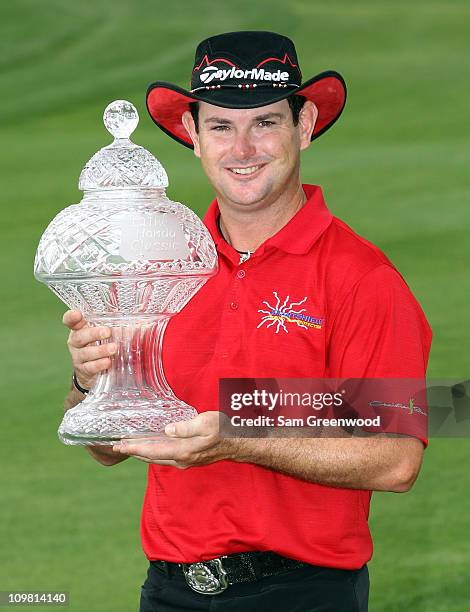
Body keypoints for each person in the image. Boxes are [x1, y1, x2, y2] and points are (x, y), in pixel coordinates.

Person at [62, 31, 432, 611]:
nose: (242, 148)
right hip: (167, 590)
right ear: (192, 135)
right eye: (220, 126)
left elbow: (396, 459)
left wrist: (238, 436)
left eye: (264, 123)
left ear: (304, 124)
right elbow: (107, 445)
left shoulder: (363, 278)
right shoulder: (161, 266)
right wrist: (89, 383)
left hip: (302, 593)